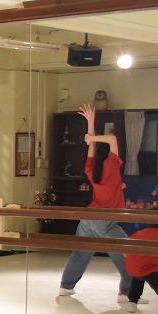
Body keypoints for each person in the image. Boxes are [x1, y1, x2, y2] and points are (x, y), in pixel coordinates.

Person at [57, 103, 135, 303]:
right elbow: (112, 139)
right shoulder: (113, 165)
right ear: (110, 155)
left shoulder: (91, 168)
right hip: (105, 220)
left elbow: (91, 145)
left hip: (89, 217)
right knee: (128, 253)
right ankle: (126, 293)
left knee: (81, 253)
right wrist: (92, 137)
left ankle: (66, 286)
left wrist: (90, 123)